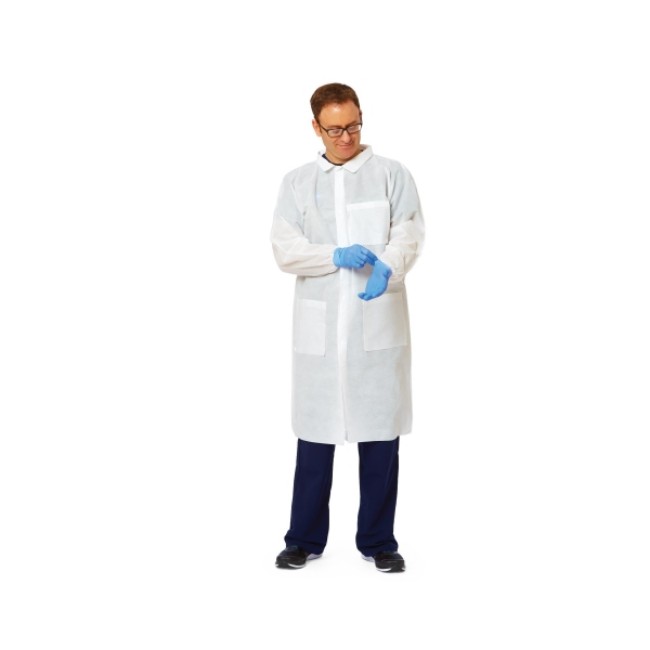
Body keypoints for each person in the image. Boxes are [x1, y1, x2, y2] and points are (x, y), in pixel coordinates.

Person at [270, 83, 425, 573]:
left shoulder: (391, 175)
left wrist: (388, 264)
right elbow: (284, 248)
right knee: (314, 441)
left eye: (353, 126)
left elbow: (409, 232)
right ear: (315, 127)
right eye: (334, 129)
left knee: (380, 440)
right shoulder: (298, 183)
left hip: (375, 328)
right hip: (320, 332)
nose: (346, 137)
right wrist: (332, 255)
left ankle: (379, 541)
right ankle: (303, 539)